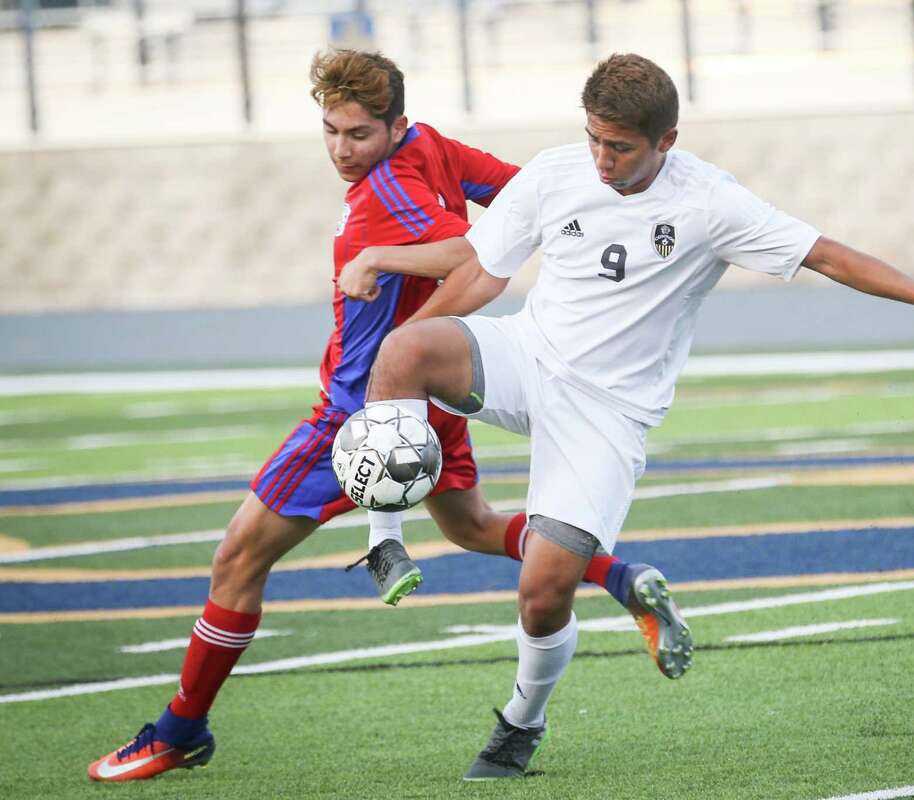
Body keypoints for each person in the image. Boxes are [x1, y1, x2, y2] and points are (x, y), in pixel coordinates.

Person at [350, 52, 914, 780]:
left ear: (667, 140)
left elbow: (827, 255)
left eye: (620, 146)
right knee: (404, 352)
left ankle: (519, 724)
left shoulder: (710, 203)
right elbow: (480, 269)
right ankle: (383, 541)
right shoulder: (557, 172)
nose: (601, 158)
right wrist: (400, 348)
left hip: (606, 413)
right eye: (594, 138)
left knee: (542, 594)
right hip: (527, 358)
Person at [86, 49, 689, 784]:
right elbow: (527, 194)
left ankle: (180, 729)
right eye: (332, 131)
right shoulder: (431, 145)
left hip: (356, 411)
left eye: (360, 134)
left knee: (238, 559)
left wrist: (382, 261)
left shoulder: (390, 189)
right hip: (428, 394)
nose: (344, 150)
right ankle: (620, 577)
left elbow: (472, 254)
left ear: (394, 124)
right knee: (470, 527)